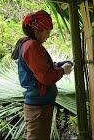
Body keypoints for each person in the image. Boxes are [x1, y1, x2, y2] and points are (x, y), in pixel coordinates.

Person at [11, 10, 73, 140]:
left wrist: (58, 65)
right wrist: (62, 71)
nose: (48, 36)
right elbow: (45, 77)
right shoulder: (32, 46)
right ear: (38, 31)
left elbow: (40, 68)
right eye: (47, 32)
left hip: (40, 106)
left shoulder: (30, 44)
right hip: (38, 107)